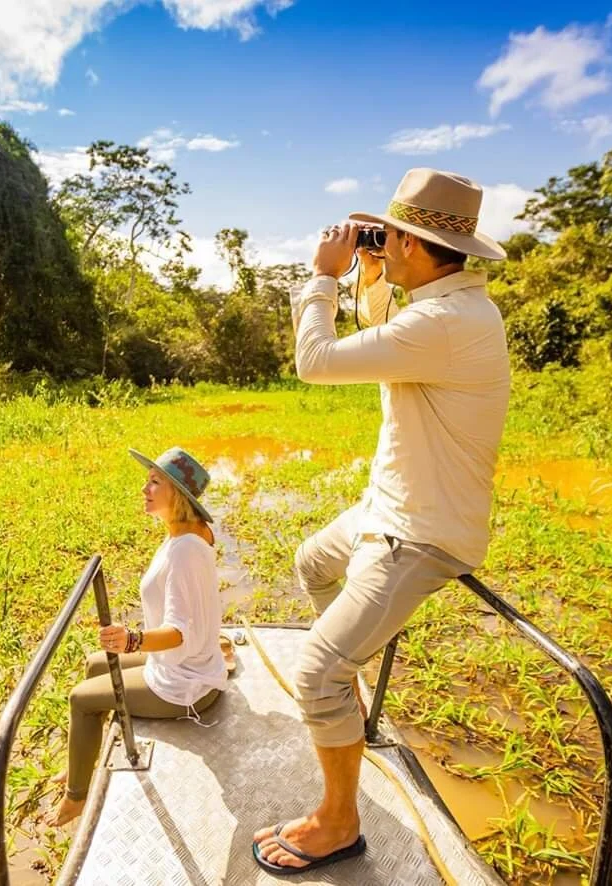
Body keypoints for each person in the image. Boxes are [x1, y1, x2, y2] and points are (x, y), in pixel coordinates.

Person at [252, 168, 511, 874]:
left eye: (389, 236)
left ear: (418, 245)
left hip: (422, 531)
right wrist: (371, 272)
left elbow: (316, 360)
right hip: (389, 503)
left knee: (316, 674)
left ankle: (338, 822)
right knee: (312, 562)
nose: (381, 243)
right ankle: (351, 679)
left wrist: (324, 278)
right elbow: (379, 329)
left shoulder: (444, 322)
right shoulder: (443, 304)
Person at [49, 447, 228, 827]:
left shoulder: (184, 552)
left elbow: (181, 633)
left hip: (186, 683)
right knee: (95, 663)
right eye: (147, 479)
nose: (143, 488)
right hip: (184, 664)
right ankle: (84, 758)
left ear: (177, 495)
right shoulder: (184, 534)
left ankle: (76, 798)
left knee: (81, 700)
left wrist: (131, 640)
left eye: (154, 482)